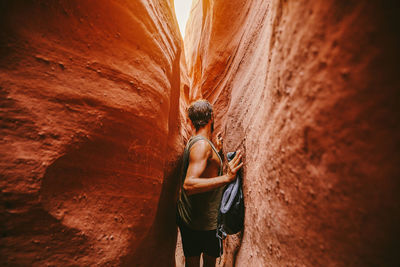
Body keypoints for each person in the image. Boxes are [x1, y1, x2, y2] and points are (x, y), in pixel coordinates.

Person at [176, 99, 243, 267]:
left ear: (190, 121)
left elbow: (204, 168)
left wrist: (217, 152)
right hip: (204, 224)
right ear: (212, 117)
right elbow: (189, 185)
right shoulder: (202, 146)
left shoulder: (198, 142)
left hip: (190, 221)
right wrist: (227, 178)